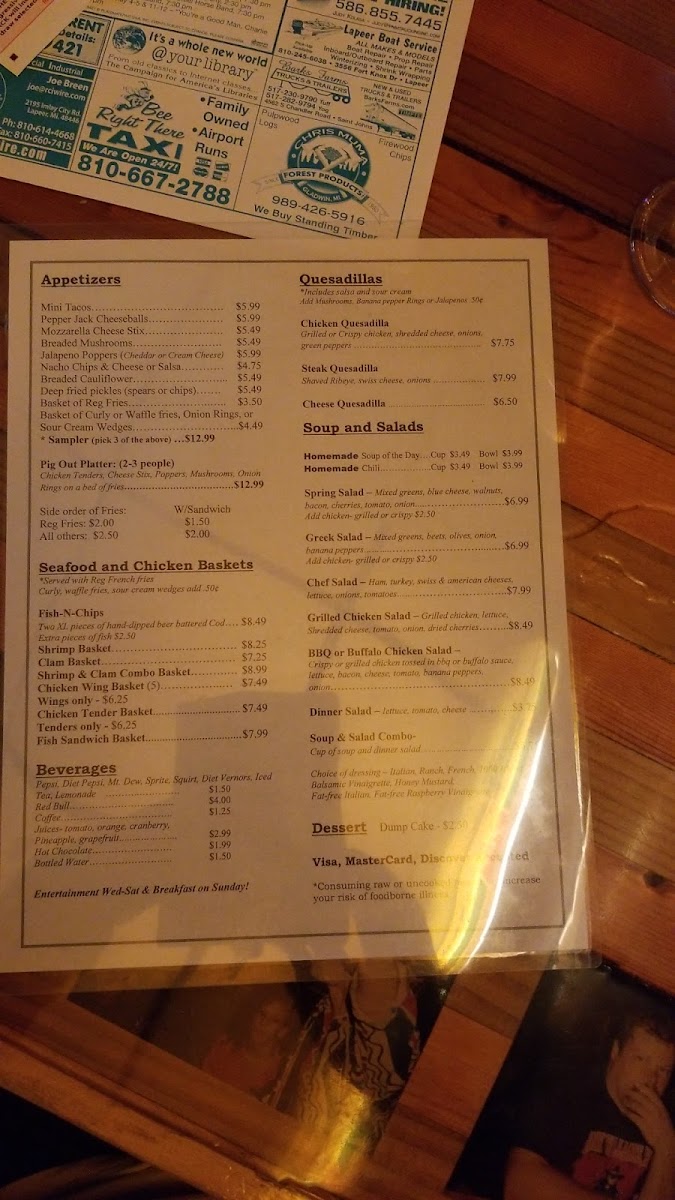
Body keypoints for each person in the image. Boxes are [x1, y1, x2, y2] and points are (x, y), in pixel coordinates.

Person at [504, 1007, 675, 1199]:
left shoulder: (667, 1126)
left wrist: (667, 1147)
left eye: (663, 1070)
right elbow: (518, 1182)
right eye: (640, 1059)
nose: (650, 1080)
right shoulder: (567, 1092)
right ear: (615, 1051)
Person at [201, 983, 298, 1100]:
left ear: (283, 1031)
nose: (263, 1023)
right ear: (253, 1014)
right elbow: (201, 1087)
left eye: (274, 1020)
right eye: (262, 1014)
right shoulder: (225, 1047)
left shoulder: (282, 1073)